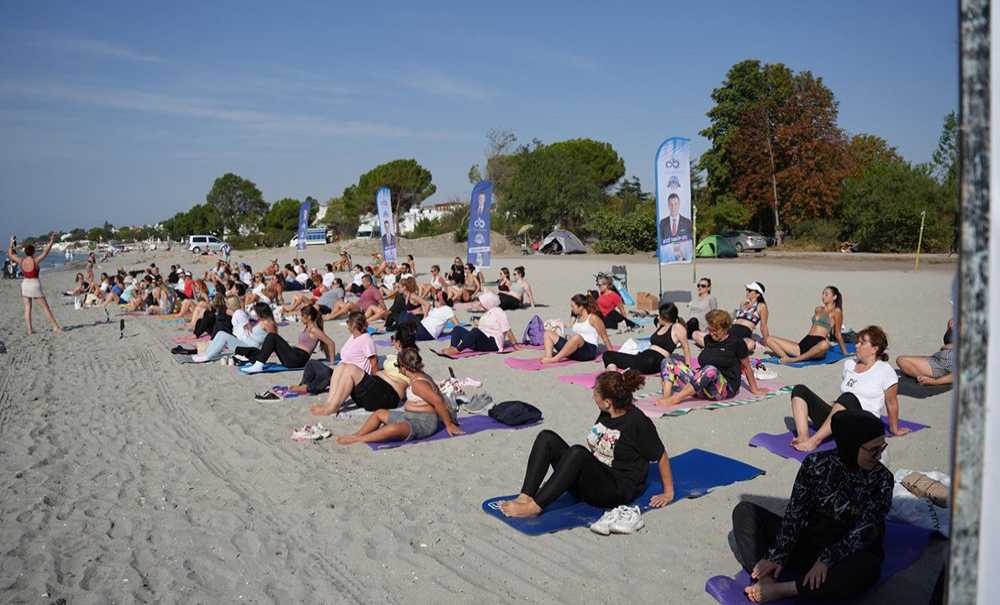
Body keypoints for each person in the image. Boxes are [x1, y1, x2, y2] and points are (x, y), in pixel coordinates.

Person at [730, 410, 893, 603]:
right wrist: (778, 555)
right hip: (811, 542)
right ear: (851, 446)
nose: (879, 456)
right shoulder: (816, 464)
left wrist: (827, 558)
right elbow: (795, 513)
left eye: (881, 448)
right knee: (744, 512)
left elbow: (866, 530)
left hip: (846, 554)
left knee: (867, 568)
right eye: (874, 450)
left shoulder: (882, 479)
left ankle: (786, 589)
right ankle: (766, 579)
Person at [497, 370, 674, 518]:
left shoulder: (637, 421)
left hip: (616, 490)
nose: (593, 395)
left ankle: (534, 508)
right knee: (547, 438)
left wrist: (668, 493)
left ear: (607, 402)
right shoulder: (607, 413)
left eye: (595, 393)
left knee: (577, 453)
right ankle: (525, 496)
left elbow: (661, 456)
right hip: (595, 480)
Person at [787, 326, 907, 452]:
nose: (856, 346)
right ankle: (803, 436)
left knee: (848, 397)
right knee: (799, 390)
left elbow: (892, 402)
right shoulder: (849, 364)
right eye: (857, 342)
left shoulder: (885, 370)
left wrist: (894, 429)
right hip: (842, 419)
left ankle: (814, 440)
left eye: (862, 343)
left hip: (864, 424)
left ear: (874, 349)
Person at [336, 349, 463, 445]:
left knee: (393, 429)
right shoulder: (420, 375)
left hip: (423, 423)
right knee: (379, 413)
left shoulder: (418, 384)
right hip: (409, 416)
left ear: (403, 368)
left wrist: (449, 424)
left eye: (397, 366)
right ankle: (357, 434)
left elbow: (438, 401)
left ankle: (359, 439)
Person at [659, 309, 767, 406]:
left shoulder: (736, 343)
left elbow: (747, 367)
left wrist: (755, 389)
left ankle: (675, 399)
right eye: (710, 329)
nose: (711, 333)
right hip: (701, 386)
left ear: (725, 328)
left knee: (711, 370)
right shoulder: (708, 339)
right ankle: (666, 397)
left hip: (724, 389)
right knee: (668, 361)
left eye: (715, 330)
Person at [765, 286, 848, 364]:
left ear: (834, 297)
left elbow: (837, 333)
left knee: (825, 345)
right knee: (768, 339)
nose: (823, 296)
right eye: (823, 294)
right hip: (806, 341)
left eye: (826, 294)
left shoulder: (837, 312)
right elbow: (816, 326)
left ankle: (793, 360)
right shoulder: (818, 309)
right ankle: (785, 357)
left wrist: (844, 352)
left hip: (819, 343)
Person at [243, 305, 336, 373]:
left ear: (309, 317)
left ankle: (258, 365)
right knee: (272, 340)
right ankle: (256, 362)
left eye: (302, 316)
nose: (300, 318)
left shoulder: (314, 330)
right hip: (294, 355)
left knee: (272, 336)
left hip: (299, 359)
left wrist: (332, 362)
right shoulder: (307, 327)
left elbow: (330, 343)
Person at [603, 303, 692, 374]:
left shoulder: (677, 327)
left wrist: (688, 369)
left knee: (608, 355)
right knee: (613, 357)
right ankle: (613, 374)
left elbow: (686, 348)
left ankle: (612, 374)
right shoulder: (661, 326)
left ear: (664, 317)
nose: (657, 317)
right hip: (647, 359)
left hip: (652, 359)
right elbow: (656, 321)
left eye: (659, 315)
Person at [7, 233, 62, 335]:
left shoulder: (21, 260)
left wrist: (11, 242)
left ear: (26, 252)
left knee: (27, 308)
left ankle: (29, 330)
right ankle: (55, 327)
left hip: (25, 284)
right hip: (34, 284)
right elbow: (46, 251)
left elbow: (10, 254)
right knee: (45, 307)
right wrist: (52, 240)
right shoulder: (36, 260)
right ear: (33, 252)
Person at [696, 281, 769, 352]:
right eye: (747, 290)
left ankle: (718, 347)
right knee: (695, 334)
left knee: (750, 344)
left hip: (744, 331)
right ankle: (723, 348)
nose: (747, 292)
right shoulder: (743, 303)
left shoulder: (761, 306)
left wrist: (767, 341)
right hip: (731, 329)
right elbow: (734, 319)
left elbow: (763, 325)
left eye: (750, 290)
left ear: (758, 294)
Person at [540, 294, 612, 363]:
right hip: (576, 349)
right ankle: (548, 356)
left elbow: (605, 337)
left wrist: (612, 354)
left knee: (577, 337)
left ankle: (555, 359)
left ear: (581, 307)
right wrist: (557, 324)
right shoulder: (577, 317)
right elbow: (569, 328)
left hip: (588, 351)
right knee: (548, 333)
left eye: (573, 306)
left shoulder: (593, 318)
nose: (572, 309)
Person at [440, 292, 518, 354]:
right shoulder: (487, 313)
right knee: (457, 329)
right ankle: (452, 347)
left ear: (488, 302)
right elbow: (484, 327)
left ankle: (458, 350)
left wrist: (515, 345)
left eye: (482, 302)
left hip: (493, 343)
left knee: (475, 331)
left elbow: (507, 329)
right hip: (481, 340)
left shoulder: (498, 311)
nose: (480, 304)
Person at [896, 319, 954, 387]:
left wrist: (934, 382)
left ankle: (939, 378)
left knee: (901, 361)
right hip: (940, 357)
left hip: (945, 364)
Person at [658, 193, 693, 262]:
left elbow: (689, 241)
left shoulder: (687, 222)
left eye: (675, 204)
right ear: (668, 205)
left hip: (684, 260)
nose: (673, 207)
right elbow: (661, 242)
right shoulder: (662, 223)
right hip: (667, 261)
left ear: (679, 204)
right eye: (671, 204)